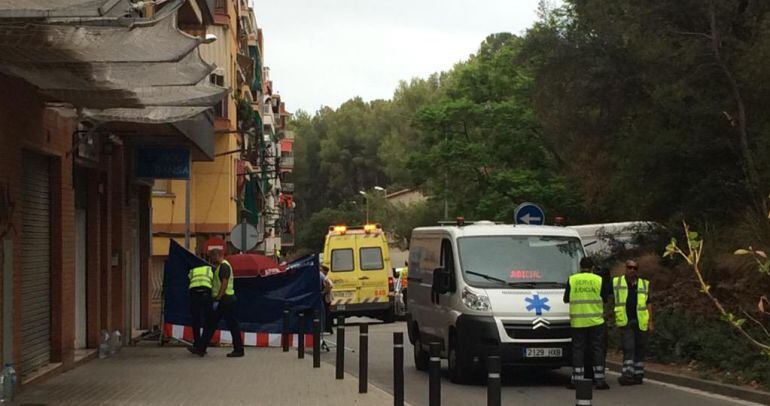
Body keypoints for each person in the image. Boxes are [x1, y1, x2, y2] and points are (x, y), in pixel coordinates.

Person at [564, 257, 611, 390]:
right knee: (597, 349)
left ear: (580, 266)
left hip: (578, 322)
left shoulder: (572, 279)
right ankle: (600, 380)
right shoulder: (599, 279)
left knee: (578, 350)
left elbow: (566, 299)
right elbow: (605, 299)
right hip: (596, 321)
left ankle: (577, 379)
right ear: (592, 267)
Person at [189, 246, 244, 357]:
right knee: (211, 324)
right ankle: (201, 348)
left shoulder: (224, 266)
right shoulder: (221, 266)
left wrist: (218, 298)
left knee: (230, 325)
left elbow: (224, 283)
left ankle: (238, 350)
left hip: (225, 300)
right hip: (224, 300)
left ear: (217, 255)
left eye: (211, 257)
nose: (211, 260)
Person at [615, 259, 653, 385]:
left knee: (640, 348)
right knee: (629, 348)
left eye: (635, 268)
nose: (632, 270)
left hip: (641, 321)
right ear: (625, 268)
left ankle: (638, 374)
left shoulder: (643, 284)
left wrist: (651, 321)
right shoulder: (618, 282)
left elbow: (648, 303)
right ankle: (627, 375)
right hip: (626, 321)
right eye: (630, 267)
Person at [187, 264, 214, 349]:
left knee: (196, 320)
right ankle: (203, 344)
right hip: (206, 294)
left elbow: (189, 279)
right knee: (208, 320)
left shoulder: (193, 270)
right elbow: (214, 283)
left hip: (194, 294)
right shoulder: (210, 270)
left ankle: (197, 343)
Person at [320, 265, 333, 334]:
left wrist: (323, 292)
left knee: (326, 313)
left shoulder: (323, 277)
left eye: (321, 269)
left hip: (326, 298)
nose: (320, 270)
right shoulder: (324, 276)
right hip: (326, 298)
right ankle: (328, 328)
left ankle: (328, 329)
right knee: (327, 313)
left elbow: (329, 285)